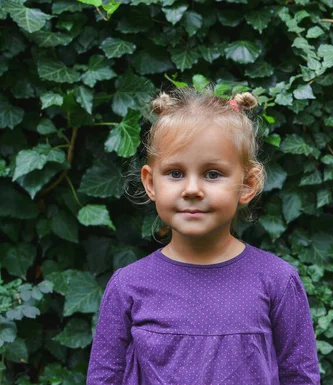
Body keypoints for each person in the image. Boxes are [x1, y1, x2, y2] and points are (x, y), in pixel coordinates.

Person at [86, 88, 320, 384]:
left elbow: (300, 376)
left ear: (247, 183)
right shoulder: (128, 286)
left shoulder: (277, 281)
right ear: (150, 182)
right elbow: (104, 377)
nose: (192, 189)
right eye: (174, 173)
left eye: (212, 174)